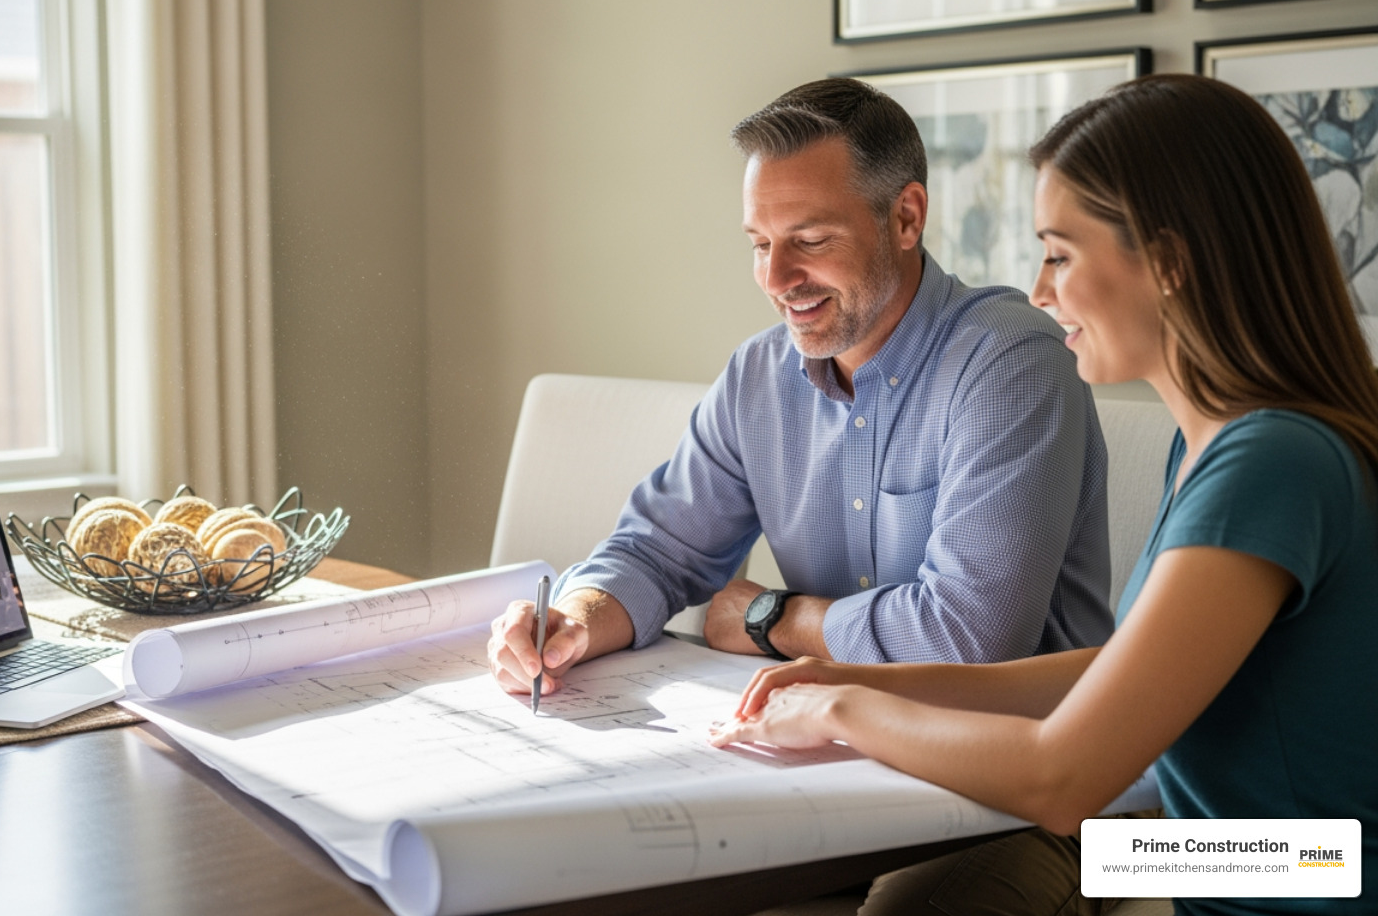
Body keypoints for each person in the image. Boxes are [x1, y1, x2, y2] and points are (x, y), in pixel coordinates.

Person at [710, 73, 1378, 915]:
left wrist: (843, 706)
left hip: (1302, 874)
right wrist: (867, 685)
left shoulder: (1270, 463)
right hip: (1277, 861)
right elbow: (1118, 676)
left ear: (1170, 264)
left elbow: (1062, 781)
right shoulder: (1218, 446)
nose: (1039, 291)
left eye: (1060, 254)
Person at [489, 77, 1111, 690]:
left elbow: (969, 638)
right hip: (825, 730)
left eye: (810, 240)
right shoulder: (758, 376)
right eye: (761, 244)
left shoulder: (1010, 363)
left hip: (1007, 743)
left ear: (906, 217)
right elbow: (656, 552)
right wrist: (573, 621)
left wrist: (775, 618)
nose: (776, 278)